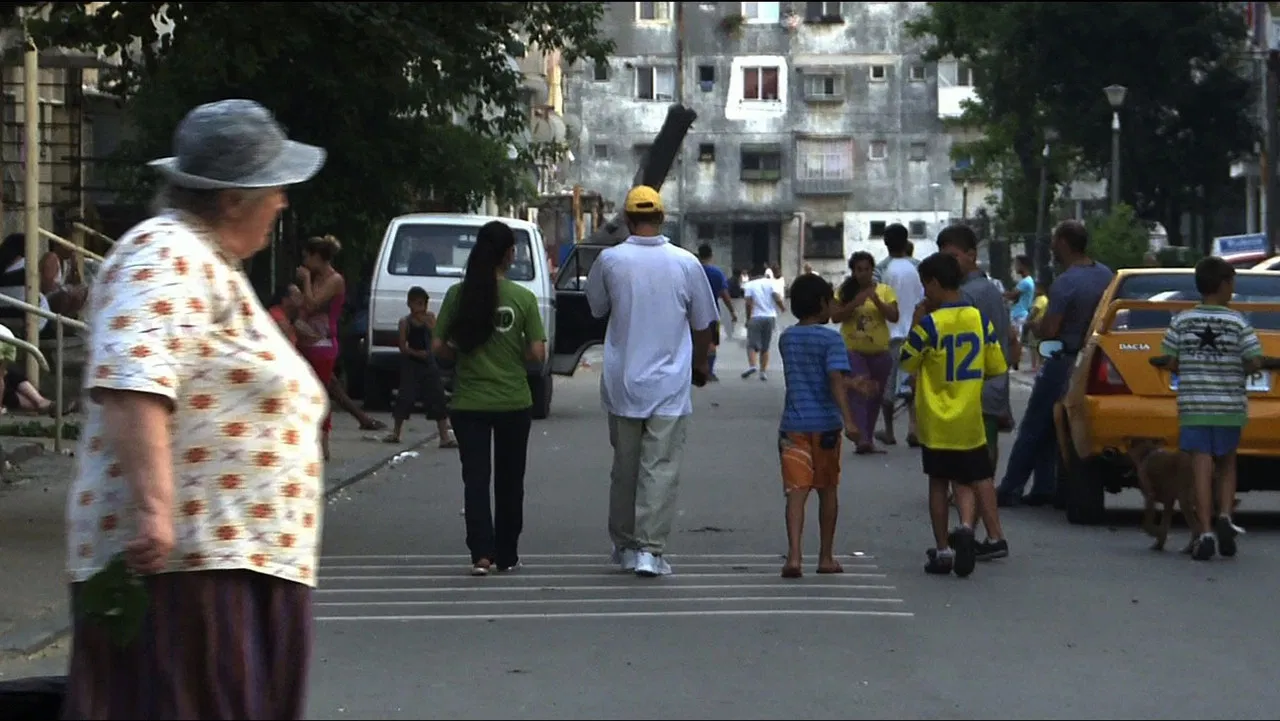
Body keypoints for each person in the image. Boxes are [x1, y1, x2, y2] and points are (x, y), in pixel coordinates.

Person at [62, 99, 328, 720]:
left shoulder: (207, 263)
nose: (282, 202)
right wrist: (155, 509)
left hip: (230, 558)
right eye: (274, 188)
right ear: (233, 199)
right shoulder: (165, 250)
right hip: (191, 565)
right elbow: (133, 373)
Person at [585, 185, 717, 577]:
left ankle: (625, 546)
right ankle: (650, 551)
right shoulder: (686, 263)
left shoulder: (610, 260)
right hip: (669, 386)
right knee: (660, 467)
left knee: (625, 467)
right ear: (662, 218)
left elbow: (596, 308)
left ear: (628, 219)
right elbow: (703, 324)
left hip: (623, 382)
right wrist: (701, 365)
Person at [433, 221, 546, 576]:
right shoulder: (523, 298)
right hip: (513, 401)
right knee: (511, 481)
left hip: (469, 403)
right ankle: (507, 554)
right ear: (509, 254)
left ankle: (481, 554)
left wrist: (462, 355)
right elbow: (538, 352)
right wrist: (512, 355)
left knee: (476, 480)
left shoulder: (458, 295)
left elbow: (438, 346)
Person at [900, 252, 1009, 578]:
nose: (925, 293)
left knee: (938, 483)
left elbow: (907, 360)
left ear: (934, 283)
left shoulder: (930, 325)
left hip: (936, 422)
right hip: (969, 419)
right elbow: (996, 366)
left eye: (925, 286)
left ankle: (943, 550)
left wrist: (916, 323)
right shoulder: (979, 320)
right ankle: (965, 527)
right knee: (965, 480)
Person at [997, 221, 1114, 507]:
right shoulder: (1106, 275)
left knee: (1035, 424)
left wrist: (1034, 325)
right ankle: (1044, 486)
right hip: (1095, 359)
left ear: (1063, 243)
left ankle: (1011, 487)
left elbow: (1051, 329)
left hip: (1064, 358)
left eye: (1053, 241)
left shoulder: (1066, 282)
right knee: (1058, 424)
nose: (1051, 247)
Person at [1157, 257, 1259, 561]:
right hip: (1229, 404)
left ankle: (1204, 532)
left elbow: (1169, 359)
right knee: (1226, 464)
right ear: (1225, 285)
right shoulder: (1238, 322)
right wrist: (1241, 368)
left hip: (1194, 404)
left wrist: (1188, 366)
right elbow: (1254, 360)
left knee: (1201, 466)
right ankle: (1225, 515)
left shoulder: (1182, 321)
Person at [776, 274, 871, 578]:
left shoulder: (787, 338)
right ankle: (825, 556)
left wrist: (851, 383)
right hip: (826, 426)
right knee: (827, 491)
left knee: (796, 492)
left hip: (793, 426)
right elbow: (833, 379)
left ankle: (794, 556)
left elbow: (812, 374)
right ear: (821, 303)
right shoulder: (832, 339)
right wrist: (850, 420)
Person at [937, 226, 1013, 467]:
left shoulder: (965, 295)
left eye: (953, 257)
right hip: (993, 382)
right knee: (987, 446)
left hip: (971, 385)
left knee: (970, 456)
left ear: (971, 255)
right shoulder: (992, 289)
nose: (948, 264)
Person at [831, 251, 899, 453]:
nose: (863, 273)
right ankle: (860, 437)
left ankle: (867, 437)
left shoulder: (885, 290)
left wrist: (877, 301)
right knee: (860, 390)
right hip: (853, 350)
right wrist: (854, 303)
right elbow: (835, 316)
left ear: (872, 270)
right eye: (859, 270)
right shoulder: (844, 291)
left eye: (867, 269)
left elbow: (894, 316)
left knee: (875, 394)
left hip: (880, 350)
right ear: (853, 271)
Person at [872, 223, 925, 448]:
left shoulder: (880, 270)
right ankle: (914, 427)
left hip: (890, 333)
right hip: (916, 332)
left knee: (888, 385)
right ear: (907, 241)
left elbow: (875, 300)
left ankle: (889, 431)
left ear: (885, 242)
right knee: (913, 381)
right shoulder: (920, 267)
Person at [384, 286, 456, 448]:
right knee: (405, 397)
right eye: (418, 304)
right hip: (412, 364)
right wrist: (416, 353)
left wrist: (431, 327)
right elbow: (402, 346)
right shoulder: (405, 322)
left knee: (437, 397)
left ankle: (444, 436)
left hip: (429, 363)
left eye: (423, 304)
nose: (421, 308)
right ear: (410, 304)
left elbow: (438, 336)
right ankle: (396, 432)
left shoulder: (429, 319)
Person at [295, 234, 346, 461]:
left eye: (307, 257)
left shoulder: (335, 280)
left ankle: (323, 442)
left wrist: (306, 280)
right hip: (306, 339)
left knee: (320, 392)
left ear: (317, 257)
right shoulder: (316, 279)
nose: (305, 262)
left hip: (323, 342)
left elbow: (312, 303)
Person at [697, 243, 738, 382]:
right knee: (711, 343)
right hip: (712, 313)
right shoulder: (717, 273)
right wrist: (732, 311)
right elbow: (724, 294)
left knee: (693, 341)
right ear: (711, 255)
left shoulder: (692, 271)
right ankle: (709, 372)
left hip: (693, 312)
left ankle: (694, 370)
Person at [741, 265, 787, 381]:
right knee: (765, 346)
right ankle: (763, 372)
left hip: (755, 316)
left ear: (751, 274)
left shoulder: (749, 285)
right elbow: (776, 296)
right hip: (770, 317)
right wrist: (782, 307)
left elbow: (748, 303)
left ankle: (752, 365)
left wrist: (748, 318)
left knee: (751, 344)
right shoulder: (771, 283)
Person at [1005, 255, 1036, 370]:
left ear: (1023, 266)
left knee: (1015, 339)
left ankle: (1014, 363)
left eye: (1017, 264)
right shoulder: (1028, 281)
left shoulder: (1025, 282)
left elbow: (1012, 295)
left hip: (1019, 314)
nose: (1015, 267)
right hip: (1020, 313)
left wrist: (999, 292)